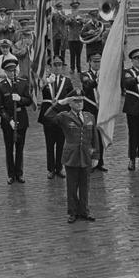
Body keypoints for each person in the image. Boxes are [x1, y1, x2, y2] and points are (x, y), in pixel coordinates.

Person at [44, 90, 98, 223]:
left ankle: (84, 210)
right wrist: (59, 103)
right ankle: (73, 212)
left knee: (85, 185)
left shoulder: (89, 116)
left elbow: (95, 138)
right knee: (72, 186)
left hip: (86, 155)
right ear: (70, 103)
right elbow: (47, 116)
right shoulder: (64, 116)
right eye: (76, 101)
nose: (79, 104)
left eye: (81, 101)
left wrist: (96, 156)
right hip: (71, 155)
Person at [0, 58, 32, 184]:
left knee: (20, 148)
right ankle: (11, 174)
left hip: (21, 119)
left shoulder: (22, 83)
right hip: (8, 120)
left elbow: (29, 101)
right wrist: (9, 120)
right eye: (9, 71)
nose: (12, 73)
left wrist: (20, 99)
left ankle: (19, 173)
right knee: (9, 148)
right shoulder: (0, 86)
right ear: (5, 72)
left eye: (13, 71)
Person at [38, 56, 72, 179]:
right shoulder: (44, 80)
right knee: (49, 143)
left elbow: (70, 98)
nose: (57, 67)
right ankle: (50, 169)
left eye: (59, 65)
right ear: (50, 67)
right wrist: (47, 82)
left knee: (61, 143)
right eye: (55, 65)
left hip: (62, 115)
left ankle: (59, 167)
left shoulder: (67, 81)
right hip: (48, 114)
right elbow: (36, 90)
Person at [79, 49, 107, 172]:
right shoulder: (85, 74)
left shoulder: (105, 74)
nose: (97, 64)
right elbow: (88, 84)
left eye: (99, 61)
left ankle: (100, 161)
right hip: (89, 109)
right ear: (89, 62)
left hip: (101, 109)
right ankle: (90, 162)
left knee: (100, 137)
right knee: (90, 137)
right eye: (94, 62)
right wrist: (97, 80)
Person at [65, 3, 85, 74]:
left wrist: (81, 20)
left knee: (79, 54)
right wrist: (71, 18)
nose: (75, 10)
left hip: (79, 38)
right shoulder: (69, 16)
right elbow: (66, 23)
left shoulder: (81, 15)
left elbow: (85, 22)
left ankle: (79, 68)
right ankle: (72, 68)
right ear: (72, 9)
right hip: (71, 38)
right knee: (72, 54)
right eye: (74, 9)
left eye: (76, 8)